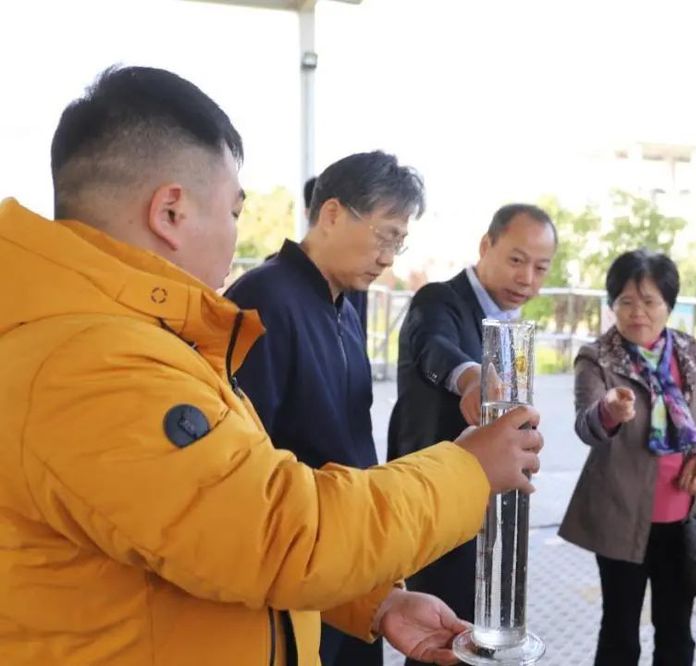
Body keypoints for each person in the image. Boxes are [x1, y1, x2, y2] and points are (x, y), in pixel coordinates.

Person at [0, 65, 544, 666]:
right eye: (234, 211)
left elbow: (213, 522)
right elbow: (275, 533)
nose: (237, 234)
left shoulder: (128, 336)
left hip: (324, 575)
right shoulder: (89, 362)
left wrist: (373, 601)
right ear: (171, 212)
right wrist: (469, 470)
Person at [226, 151, 422, 665]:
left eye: (399, 242)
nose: (389, 258)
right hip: (298, 568)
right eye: (384, 236)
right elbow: (244, 464)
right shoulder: (263, 299)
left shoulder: (345, 305)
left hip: (353, 564)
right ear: (332, 213)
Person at [387, 203, 557, 664]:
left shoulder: (513, 325)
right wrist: (470, 377)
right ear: (486, 245)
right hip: (437, 505)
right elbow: (434, 346)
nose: (526, 278)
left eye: (540, 267)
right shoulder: (439, 300)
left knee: (480, 635)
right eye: (516, 259)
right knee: (439, 637)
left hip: (492, 511)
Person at [558, 250, 696, 666]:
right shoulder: (597, 358)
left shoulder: (690, 354)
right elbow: (585, 426)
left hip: (683, 519)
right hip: (619, 517)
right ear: (612, 305)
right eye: (626, 302)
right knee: (619, 634)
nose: (638, 313)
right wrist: (608, 412)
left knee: (676, 632)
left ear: (669, 305)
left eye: (650, 301)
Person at [305, 175, 369, 340]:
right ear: (330, 215)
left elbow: (359, 338)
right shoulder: (271, 288)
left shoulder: (358, 274)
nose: (387, 259)